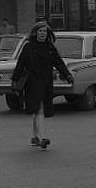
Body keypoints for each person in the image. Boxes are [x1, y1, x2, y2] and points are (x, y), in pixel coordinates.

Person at [11, 20, 72, 150]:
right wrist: (14, 81)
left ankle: (34, 136)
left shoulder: (50, 47)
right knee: (39, 108)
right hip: (32, 82)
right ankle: (42, 137)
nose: (43, 33)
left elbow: (59, 63)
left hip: (46, 82)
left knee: (38, 109)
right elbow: (20, 64)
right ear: (35, 33)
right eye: (40, 31)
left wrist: (67, 75)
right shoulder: (28, 47)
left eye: (45, 31)